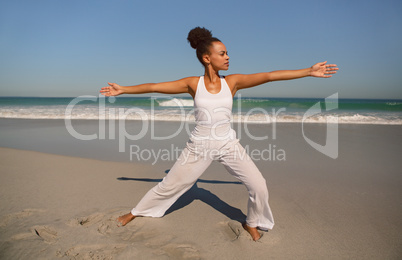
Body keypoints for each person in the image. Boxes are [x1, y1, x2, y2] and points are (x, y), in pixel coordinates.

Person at [100, 27, 338, 241]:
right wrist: (123, 89)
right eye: (222, 53)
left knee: (259, 186)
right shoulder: (193, 84)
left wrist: (308, 71)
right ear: (207, 58)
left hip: (228, 144)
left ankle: (252, 222)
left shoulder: (232, 82)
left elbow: (269, 76)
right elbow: (154, 87)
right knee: (169, 185)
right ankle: (136, 212)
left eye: (227, 53)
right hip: (199, 145)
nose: (228, 57)